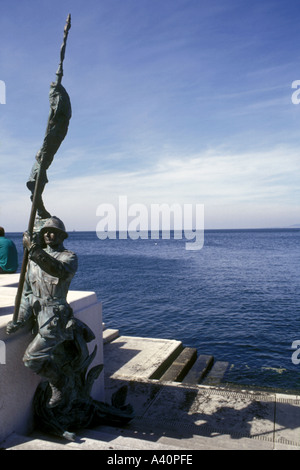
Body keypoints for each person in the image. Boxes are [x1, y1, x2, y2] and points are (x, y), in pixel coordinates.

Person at [6, 216, 78, 407]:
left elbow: (58, 270)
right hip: (39, 318)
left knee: (31, 359)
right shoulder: (33, 262)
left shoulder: (68, 257)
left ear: (62, 236)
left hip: (56, 319)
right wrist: (20, 320)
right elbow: (28, 296)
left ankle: (60, 382)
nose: (48, 234)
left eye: (53, 231)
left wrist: (34, 250)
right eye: (45, 232)